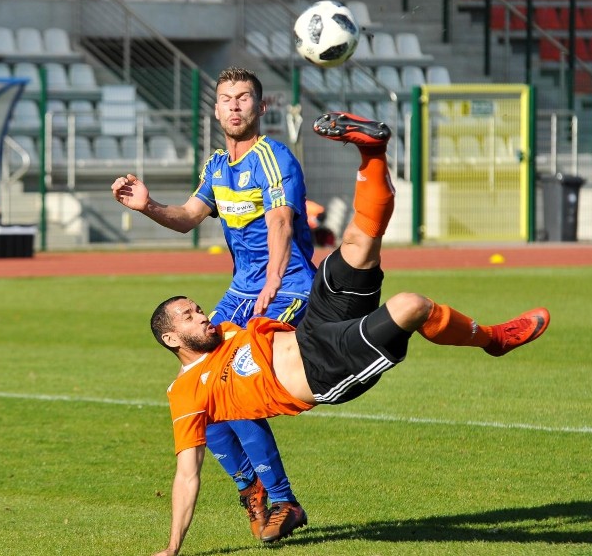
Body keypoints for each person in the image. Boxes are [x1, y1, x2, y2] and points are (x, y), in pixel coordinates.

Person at [144, 112, 551, 556]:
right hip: (325, 370)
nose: (201, 316)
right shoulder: (186, 394)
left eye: (197, 308)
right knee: (411, 305)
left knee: (359, 242)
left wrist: (273, 279)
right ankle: (491, 339)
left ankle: (372, 152)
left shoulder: (225, 328)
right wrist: (171, 548)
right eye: (188, 317)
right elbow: (188, 472)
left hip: (311, 327)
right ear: (171, 340)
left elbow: (278, 226)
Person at [112, 67, 314, 542]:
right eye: (226, 99)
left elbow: (282, 223)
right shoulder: (215, 167)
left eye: (244, 98)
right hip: (239, 294)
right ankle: (252, 490)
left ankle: (284, 500)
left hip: (286, 289)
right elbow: (186, 218)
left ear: (260, 107)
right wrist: (147, 205)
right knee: (200, 391)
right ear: (217, 109)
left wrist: (272, 282)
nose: (235, 106)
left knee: (236, 388)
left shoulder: (274, 156)